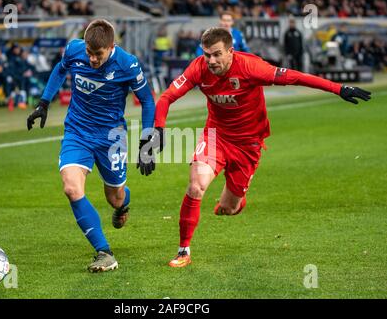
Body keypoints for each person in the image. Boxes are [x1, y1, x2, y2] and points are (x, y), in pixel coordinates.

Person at [153, 27, 371, 268]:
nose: (211, 61)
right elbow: (166, 98)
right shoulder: (198, 68)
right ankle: (184, 250)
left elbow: (296, 77)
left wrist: (338, 88)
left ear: (231, 51)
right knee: (196, 186)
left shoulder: (251, 68)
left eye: (216, 54)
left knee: (228, 208)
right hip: (216, 136)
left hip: (249, 144)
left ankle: (235, 201)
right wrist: (159, 129)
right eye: (207, 55)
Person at [26, 19, 157, 272]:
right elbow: (59, 69)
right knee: (72, 188)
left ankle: (123, 204)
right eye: (89, 53)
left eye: (98, 54)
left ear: (111, 47)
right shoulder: (75, 49)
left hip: (111, 137)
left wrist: (147, 142)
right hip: (77, 131)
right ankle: (104, 252)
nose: (92, 59)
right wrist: (43, 102)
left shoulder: (127, 63)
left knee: (115, 197)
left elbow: (147, 101)